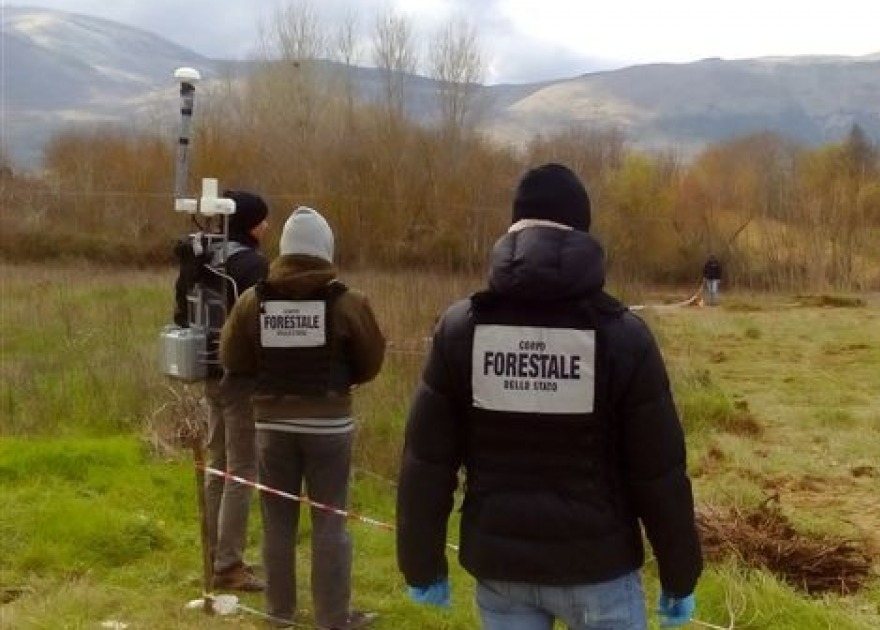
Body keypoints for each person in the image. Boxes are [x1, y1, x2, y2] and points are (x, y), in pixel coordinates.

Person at [397, 163, 703, 630]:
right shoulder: (623, 336)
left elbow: (427, 463)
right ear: (582, 231)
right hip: (600, 568)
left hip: (501, 568)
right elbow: (657, 472)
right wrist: (679, 575)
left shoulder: (460, 329)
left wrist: (421, 564)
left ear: (514, 228)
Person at [220, 206, 386, 630]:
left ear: (284, 249)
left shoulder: (253, 300)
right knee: (330, 521)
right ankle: (333, 618)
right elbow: (370, 362)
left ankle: (279, 615)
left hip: (271, 426)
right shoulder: (348, 302)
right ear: (325, 248)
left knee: (277, 522)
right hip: (330, 426)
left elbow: (232, 358)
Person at [177, 189, 270, 592]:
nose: (267, 226)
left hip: (208, 371)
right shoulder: (251, 264)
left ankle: (216, 555)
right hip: (241, 378)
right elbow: (263, 324)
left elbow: (181, 310)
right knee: (241, 470)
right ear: (250, 224)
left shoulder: (203, 256)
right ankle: (229, 565)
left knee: (218, 465)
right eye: (263, 219)